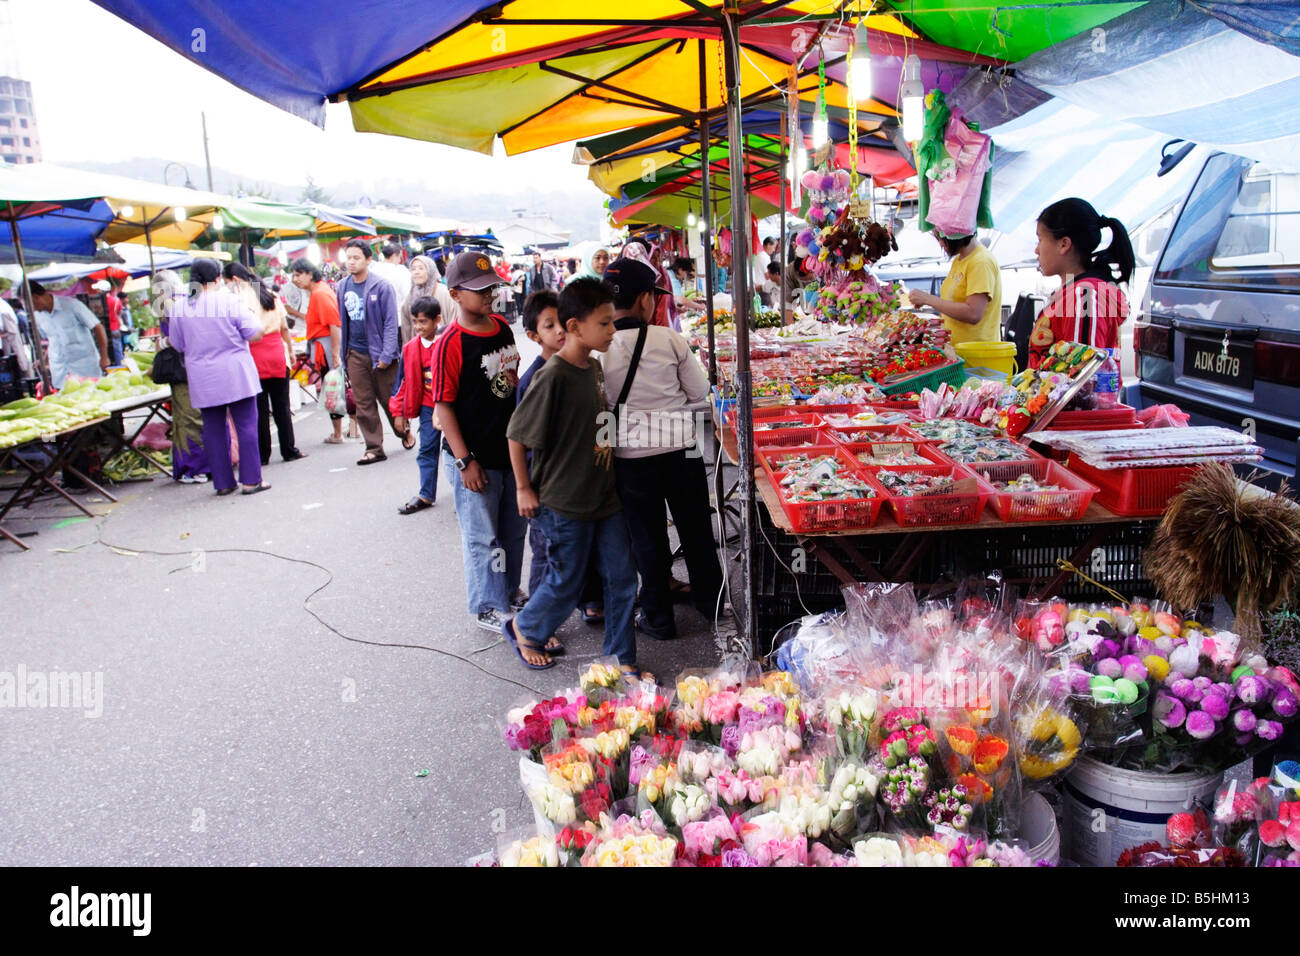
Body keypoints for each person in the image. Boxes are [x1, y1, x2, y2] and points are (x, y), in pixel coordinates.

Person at [506, 278, 643, 676]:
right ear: (574, 327)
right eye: (604, 324)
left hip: (604, 497)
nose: (612, 330)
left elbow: (600, 423)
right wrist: (523, 488)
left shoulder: (595, 369)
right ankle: (525, 627)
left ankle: (620, 660)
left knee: (621, 578)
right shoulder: (552, 377)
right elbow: (516, 435)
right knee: (566, 581)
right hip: (564, 502)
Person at [601, 257, 723, 642]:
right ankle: (712, 602)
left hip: (631, 455)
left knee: (647, 537)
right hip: (681, 448)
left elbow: (601, 406)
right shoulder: (669, 338)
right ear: (644, 300)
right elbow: (701, 394)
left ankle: (658, 617)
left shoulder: (599, 349)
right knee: (696, 527)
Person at [432, 250, 526, 633]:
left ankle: (506, 588)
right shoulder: (450, 342)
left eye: (491, 287)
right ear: (455, 294)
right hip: (474, 457)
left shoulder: (502, 327)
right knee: (483, 537)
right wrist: (464, 460)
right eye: (478, 290)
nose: (488, 295)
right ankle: (488, 604)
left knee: (512, 531)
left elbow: (512, 379)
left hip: (508, 450)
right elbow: (444, 406)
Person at [167, 259, 269, 496]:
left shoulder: (180, 307)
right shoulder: (229, 300)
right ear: (217, 278)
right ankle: (251, 480)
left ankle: (223, 483)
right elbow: (254, 333)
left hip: (202, 377)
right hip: (235, 372)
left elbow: (177, 344)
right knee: (246, 425)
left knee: (212, 429)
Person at [1029, 197, 1135, 369]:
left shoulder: (1084, 296)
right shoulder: (1075, 292)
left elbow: (1083, 377)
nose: (1036, 249)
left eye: (1040, 239)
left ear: (1064, 244)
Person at [226, 263, 306, 466]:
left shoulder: (237, 299)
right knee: (282, 406)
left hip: (254, 354)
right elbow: (284, 328)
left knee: (259, 409)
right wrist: (289, 351)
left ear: (234, 280)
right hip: (277, 353)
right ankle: (289, 450)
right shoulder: (270, 294)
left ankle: (263, 455)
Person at [338, 238, 406, 464]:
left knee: (390, 400)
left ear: (368, 260)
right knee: (363, 402)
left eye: (356, 258)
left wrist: (387, 354)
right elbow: (343, 322)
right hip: (355, 352)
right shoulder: (343, 286)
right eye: (348, 257)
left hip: (380, 353)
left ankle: (403, 431)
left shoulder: (381, 286)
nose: (351, 262)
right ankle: (374, 448)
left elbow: (390, 322)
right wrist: (344, 355)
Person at [152, 270, 209, 484]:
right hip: (199, 365)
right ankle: (208, 464)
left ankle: (194, 468)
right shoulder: (191, 300)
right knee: (201, 415)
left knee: (188, 418)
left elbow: (177, 339)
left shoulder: (168, 305)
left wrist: (162, 343)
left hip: (183, 369)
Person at [391, 296, 445, 516]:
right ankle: (426, 494)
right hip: (426, 406)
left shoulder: (447, 342)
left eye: (423, 321)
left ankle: (466, 493)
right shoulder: (410, 349)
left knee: (456, 452)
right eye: (415, 321)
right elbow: (401, 383)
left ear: (437, 320)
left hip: (449, 407)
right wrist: (398, 412)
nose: (419, 327)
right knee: (427, 449)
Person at [291, 258, 349, 444]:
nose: (295, 279)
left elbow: (334, 325)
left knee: (333, 389)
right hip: (323, 346)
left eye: (298, 275)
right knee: (332, 388)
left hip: (326, 348)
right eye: (294, 275)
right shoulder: (318, 292)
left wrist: (334, 354)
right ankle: (340, 431)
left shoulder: (321, 293)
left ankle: (338, 433)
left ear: (309, 274)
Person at [907, 233, 1002, 345]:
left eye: (941, 238)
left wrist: (928, 299)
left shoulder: (981, 262)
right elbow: (953, 304)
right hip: (958, 350)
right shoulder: (959, 259)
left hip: (976, 355)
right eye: (938, 239)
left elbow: (973, 313)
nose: (941, 244)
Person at [28, 281, 109, 388]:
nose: (30, 309)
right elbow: (53, 340)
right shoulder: (38, 316)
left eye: (29, 305)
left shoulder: (72, 305)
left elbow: (98, 327)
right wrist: (44, 360)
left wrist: (104, 357)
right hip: (60, 373)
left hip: (84, 368)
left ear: (36, 297)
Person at [369, 241, 413, 319]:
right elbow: (408, 296)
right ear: (394, 256)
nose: (400, 260)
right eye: (400, 257)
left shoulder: (372, 271)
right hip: (398, 317)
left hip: (378, 318)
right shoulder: (401, 271)